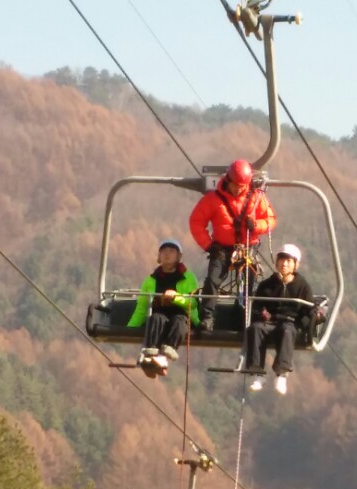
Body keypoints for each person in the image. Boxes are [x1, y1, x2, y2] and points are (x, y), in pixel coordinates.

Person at [188, 159, 276, 331]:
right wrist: (209, 245)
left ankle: (243, 316)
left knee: (248, 281)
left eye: (243, 186)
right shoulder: (213, 199)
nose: (239, 189)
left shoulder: (257, 197)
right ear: (228, 180)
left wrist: (256, 225)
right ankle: (207, 316)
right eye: (236, 185)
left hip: (247, 247)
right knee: (213, 280)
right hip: (221, 247)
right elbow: (196, 222)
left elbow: (270, 220)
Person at [244, 243, 314, 395]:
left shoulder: (302, 286)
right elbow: (256, 306)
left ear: (295, 264)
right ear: (277, 262)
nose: (284, 264)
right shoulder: (266, 285)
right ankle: (257, 373)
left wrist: (304, 323)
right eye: (282, 260)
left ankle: (281, 373)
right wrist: (262, 313)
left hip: (289, 322)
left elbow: (309, 310)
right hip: (269, 321)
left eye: (289, 261)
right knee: (256, 328)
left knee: (287, 331)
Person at [127, 239, 200, 378]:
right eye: (164, 251)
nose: (167, 254)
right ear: (159, 256)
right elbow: (142, 306)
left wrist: (176, 297)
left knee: (178, 322)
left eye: (171, 251)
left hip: (181, 314)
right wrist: (131, 328)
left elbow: (194, 302)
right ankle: (151, 353)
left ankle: (166, 352)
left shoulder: (188, 278)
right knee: (155, 318)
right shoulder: (151, 280)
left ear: (179, 256)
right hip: (160, 313)